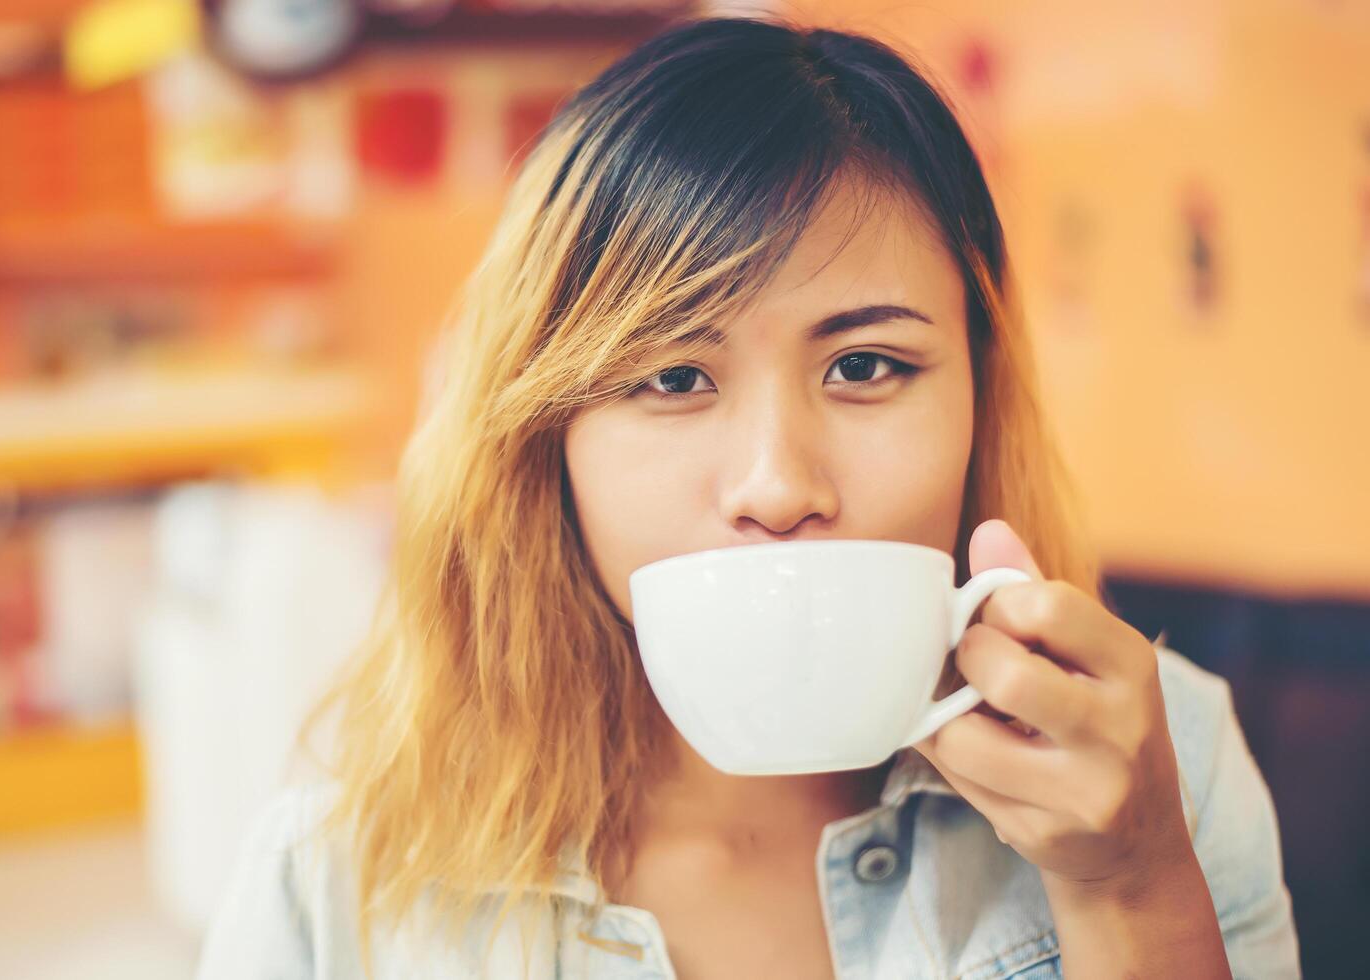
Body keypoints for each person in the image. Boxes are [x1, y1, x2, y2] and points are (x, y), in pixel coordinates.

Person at [195, 15, 1300, 979]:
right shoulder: (335, 881)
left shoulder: (1164, 769)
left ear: (980, 397)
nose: (776, 485)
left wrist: (1129, 887)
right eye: (672, 378)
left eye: (865, 366)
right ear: (543, 437)